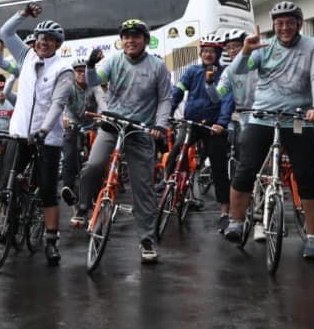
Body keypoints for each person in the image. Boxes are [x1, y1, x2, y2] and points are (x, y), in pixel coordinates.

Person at [222, 2, 314, 260]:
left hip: (298, 119)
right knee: (246, 168)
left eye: (290, 22)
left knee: (306, 175)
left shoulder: (313, 45)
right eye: (279, 23)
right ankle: (236, 222)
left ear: (299, 24)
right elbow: (235, 73)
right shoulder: (263, 46)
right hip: (262, 117)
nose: (284, 27)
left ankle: (313, 237)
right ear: (274, 25)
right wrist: (245, 52)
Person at [75, 19, 171, 264]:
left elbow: (164, 100)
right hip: (112, 123)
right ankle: (82, 207)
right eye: (126, 36)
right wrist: (90, 66)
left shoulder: (157, 66)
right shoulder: (114, 61)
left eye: (136, 36)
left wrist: (160, 125)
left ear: (145, 40)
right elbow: (95, 81)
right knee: (94, 164)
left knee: (143, 188)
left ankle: (147, 240)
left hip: (140, 130)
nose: (130, 40)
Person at [0, 3, 75, 265]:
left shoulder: (63, 69)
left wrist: (44, 129)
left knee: (46, 191)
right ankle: (10, 223)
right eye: (40, 38)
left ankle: (51, 241)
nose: (43, 43)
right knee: (7, 185)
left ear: (57, 44)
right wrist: (23, 14)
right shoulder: (26, 57)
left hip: (47, 138)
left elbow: (58, 103)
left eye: (49, 40)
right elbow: (6, 32)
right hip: (19, 134)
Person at [168, 33, 234, 232]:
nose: (207, 55)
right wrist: (167, 113)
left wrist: (222, 123)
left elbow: (227, 101)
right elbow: (177, 93)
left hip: (214, 127)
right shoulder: (191, 71)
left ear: (218, 54)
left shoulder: (225, 74)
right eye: (204, 51)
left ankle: (225, 212)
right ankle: (169, 184)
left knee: (219, 168)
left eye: (211, 51)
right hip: (192, 122)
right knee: (177, 151)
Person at [59, 60, 105, 207]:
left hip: (92, 125)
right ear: (73, 74)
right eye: (78, 71)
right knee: (69, 153)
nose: (81, 74)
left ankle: (97, 190)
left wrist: (103, 116)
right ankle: (68, 187)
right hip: (73, 125)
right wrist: (63, 117)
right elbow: (60, 104)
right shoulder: (68, 87)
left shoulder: (94, 86)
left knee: (98, 158)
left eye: (84, 71)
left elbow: (102, 103)